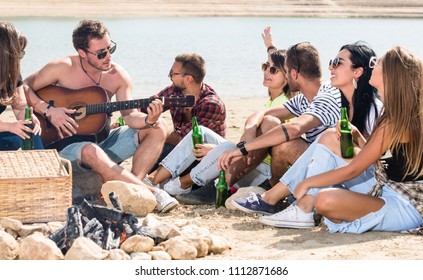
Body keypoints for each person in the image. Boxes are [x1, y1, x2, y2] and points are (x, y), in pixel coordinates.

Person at [24, 19, 178, 213]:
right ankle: (151, 192)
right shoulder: (62, 67)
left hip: (102, 142)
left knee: (158, 127)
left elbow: (130, 116)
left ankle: (132, 186)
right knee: (90, 151)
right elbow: (23, 87)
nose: (108, 57)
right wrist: (48, 110)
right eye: (101, 53)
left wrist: (148, 120)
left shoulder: (118, 75)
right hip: (64, 147)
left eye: (110, 49)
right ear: (82, 52)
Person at [268, 46, 423, 234]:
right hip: (389, 185)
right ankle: (303, 207)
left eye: (377, 63)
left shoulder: (393, 119)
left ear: (391, 74)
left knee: (325, 200)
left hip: (405, 204)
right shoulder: (395, 113)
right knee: (330, 136)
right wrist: (357, 137)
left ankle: (302, 206)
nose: (372, 66)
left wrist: (308, 182)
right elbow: (385, 160)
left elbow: (354, 169)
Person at [232, 42, 383, 229]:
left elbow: (379, 162)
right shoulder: (343, 104)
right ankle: (282, 200)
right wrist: (249, 132)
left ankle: (277, 199)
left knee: (326, 138)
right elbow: (267, 114)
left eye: (338, 63)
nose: (330, 67)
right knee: (325, 140)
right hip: (348, 176)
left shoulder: (373, 110)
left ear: (357, 72)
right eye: (331, 62)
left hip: (371, 184)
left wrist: (244, 148)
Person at [149, 48, 296, 203]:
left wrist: (224, 150)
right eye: (265, 66)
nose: (267, 72)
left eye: (273, 70)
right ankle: (152, 181)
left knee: (225, 149)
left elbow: (269, 149)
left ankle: (179, 185)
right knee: (200, 132)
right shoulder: (272, 102)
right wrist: (270, 46)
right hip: (247, 163)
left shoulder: (285, 104)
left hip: (263, 171)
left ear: (287, 77)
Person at [217, 39, 342, 192]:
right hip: (316, 161)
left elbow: (295, 128)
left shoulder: (328, 95)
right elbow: (261, 114)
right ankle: (221, 186)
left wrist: (245, 148)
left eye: (287, 71)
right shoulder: (304, 98)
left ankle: (273, 189)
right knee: (269, 122)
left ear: (294, 73)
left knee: (285, 145)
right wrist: (249, 133)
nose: (287, 76)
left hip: (332, 169)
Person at [140, 53, 226, 172]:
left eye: (173, 73)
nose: (169, 76)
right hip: (179, 151)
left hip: (203, 160)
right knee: (142, 140)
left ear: (188, 79)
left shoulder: (211, 104)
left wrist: (153, 135)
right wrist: (127, 120)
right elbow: (145, 107)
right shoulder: (175, 92)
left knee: (160, 147)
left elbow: (183, 138)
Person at [0, 21, 43, 150]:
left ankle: (42, 165)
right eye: (19, 52)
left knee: (29, 133)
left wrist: (29, 119)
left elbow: (20, 107)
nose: (20, 57)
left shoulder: (11, 73)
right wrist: (10, 126)